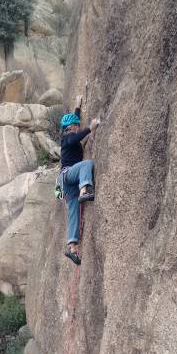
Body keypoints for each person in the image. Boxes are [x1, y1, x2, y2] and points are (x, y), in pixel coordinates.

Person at [58, 95, 100, 265]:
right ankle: (85, 190)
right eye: (76, 125)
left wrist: (77, 106)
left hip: (69, 183)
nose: (78, 127)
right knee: (86, 164)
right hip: (68, 175)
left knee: (74, 211)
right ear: (70, 127)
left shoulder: (70, 135)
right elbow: (75, 136)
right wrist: (90, 129)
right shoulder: (67, 138)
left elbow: (75, 124)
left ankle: (72, 247)